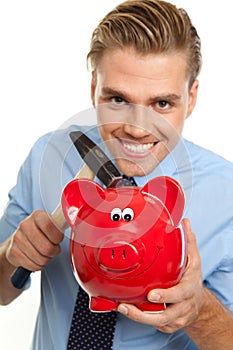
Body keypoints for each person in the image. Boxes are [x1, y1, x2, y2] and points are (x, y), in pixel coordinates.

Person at [0, 0, 233, 349]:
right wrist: (10, 256)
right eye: (118, 100)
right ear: (94, 87)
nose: (138, 130)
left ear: (192, 97)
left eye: (162, 104)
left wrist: (199, 310)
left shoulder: (226, 194)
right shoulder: (47, 157)